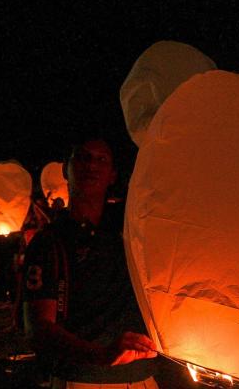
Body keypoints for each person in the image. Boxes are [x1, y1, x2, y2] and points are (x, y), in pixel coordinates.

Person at [23, 138, 158, 389]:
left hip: (142, 377)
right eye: (83, 158)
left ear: (113, 175)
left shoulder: (133, 231)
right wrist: (101, 355)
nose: (91, 166)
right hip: (81, 378)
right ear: (66, 169)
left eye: (101, 159)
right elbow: (39, 327)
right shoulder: (49, 242)